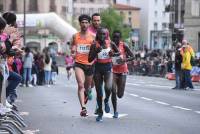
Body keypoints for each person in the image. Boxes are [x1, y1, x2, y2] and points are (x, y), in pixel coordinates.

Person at [88, 27, 119, 122]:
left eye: (104, 34)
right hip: (98, 68)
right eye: (100, 34)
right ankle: (100, 112)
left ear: (106, 35)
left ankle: (106, 101)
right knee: (99, 93)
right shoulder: (94, 44)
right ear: (97, 35)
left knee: (108, 88)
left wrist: (112, 53)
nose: (102, 36)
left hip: (108, 68)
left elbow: (118, 53)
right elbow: (89, 59)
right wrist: (96, 52)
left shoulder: (111, 43)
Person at [71, 14, 94, 117]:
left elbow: (96, 50)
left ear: (89, 24)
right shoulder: (75, 36)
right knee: (80, 85)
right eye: (82, 22)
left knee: (87, 87)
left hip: (90, 64)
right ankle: (83, 108)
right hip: (79, 63)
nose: (84, 24)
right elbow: (73, 46)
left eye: (86, 22)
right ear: (80, 24)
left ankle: (87, 92)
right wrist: (72, 51)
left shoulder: (93, 37)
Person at [110, 30, 134, 118]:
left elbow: (133, 56)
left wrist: (124, 60)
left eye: (118, 37)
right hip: (113, 71)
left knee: (119, 95)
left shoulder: (124, 45)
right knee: (113, 91)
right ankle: (115, 111)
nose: (116, 39)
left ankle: (119, 94)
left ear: (120, 38)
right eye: (114, 37)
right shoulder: (110, 45)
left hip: (123, 71)